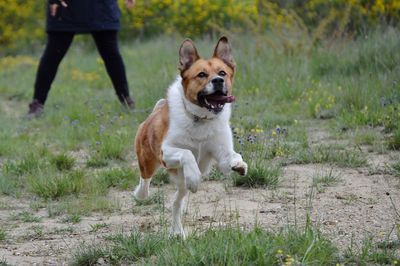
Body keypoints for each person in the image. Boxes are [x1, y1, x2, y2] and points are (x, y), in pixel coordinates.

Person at [28, 0, 136, 117]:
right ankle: (37, 104)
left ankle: (126, 100)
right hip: (66, 6)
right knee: (52, 55)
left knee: (111, 54)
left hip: (101, 7)